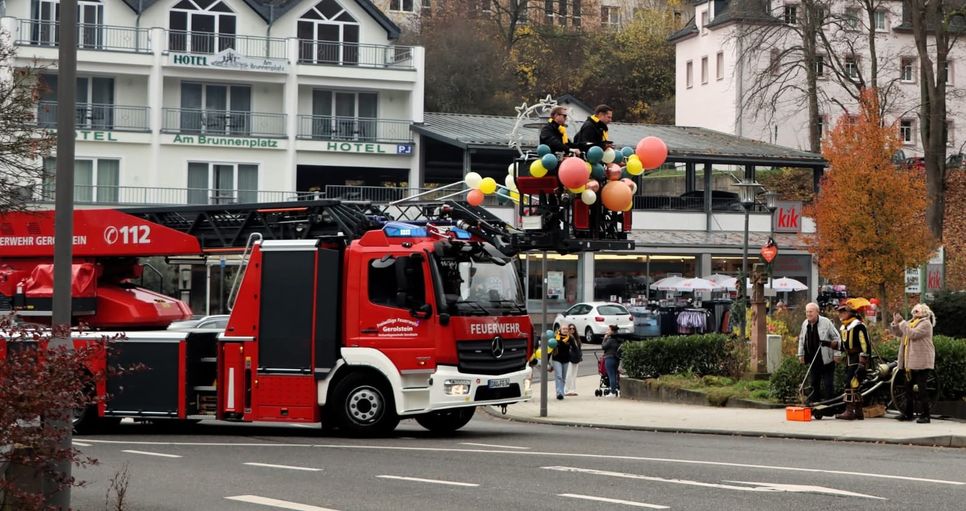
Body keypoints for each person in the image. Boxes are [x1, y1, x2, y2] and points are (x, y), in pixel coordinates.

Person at [891, 303, 937, 423]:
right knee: (907, 388)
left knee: (922, 389)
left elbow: (913, 334)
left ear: (924, 312)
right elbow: (900, 333)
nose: (914, 313)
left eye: (917, 311)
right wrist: (896, 323)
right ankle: (908, 413)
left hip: (922, 361)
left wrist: (902, 323)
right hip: (909, 361)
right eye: (914, 311)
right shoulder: (910, 323)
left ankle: (926, 415)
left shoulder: (926, 324)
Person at [828, 299, 871, 420]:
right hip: (849, 358)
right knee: (853, 385)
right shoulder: (844, 327)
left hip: (857, 359)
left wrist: (863, 362)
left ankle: (850, 411)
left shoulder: (858, 326)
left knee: (851, 384)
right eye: (840, 312)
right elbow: (842, 346)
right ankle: (858, 411)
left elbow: (865, 345)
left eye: (843, 311)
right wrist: (829, 344)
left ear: (851, 312)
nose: (841, 314)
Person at [796, 302, 841, 404]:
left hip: (826, 359)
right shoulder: (805, 323)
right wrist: (801, 354)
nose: (808, 314)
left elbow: (836, 337)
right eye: (807, 312)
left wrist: (837, 354)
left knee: (828, 384)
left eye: (811, 312)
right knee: (814, 383)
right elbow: (802, 339)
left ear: (817, 312)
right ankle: (815, 404)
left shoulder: (826, 322)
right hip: (813, 359)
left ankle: (830, 405)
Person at [551, 325, 574, 400]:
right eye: (563, 329)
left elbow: (575, 348)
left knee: (563, 378)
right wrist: (547, 361)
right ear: (560, 329)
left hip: (566, 359)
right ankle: (559, 393)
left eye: (566, 329)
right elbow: (550, 349)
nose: (565, 330)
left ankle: (562, 392)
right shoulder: (555, 337)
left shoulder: (570, 338)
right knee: (559, 376)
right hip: (557, 359)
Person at [601, 325, 624, 397]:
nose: (607, 331)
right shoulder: (619, 339)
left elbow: (603, 346)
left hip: (609, 358)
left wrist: (604, 339)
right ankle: (618, 390)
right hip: (616, 358)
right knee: (615, 375)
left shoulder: (610, 340)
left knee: (611, 375)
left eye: (608, 330)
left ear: (611, 331)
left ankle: (613, 392)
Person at [564, 324, 582, 396]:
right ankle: (566, 390)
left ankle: (573, 390)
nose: (572, 330)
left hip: (576, 358)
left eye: (573, 328)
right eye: (570, 328)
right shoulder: (566, 338)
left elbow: (579, 349)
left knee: (574, 375)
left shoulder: (577, 339)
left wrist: (580, 356)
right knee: (568, 374)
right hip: (569, 358)